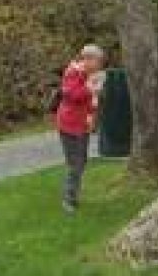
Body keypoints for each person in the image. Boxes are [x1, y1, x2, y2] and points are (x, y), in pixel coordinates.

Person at [54, 43, 105, 213]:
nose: (100, 65)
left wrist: (92, 118)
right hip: (68, 125)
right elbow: (71, 95)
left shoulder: (91, 75)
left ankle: (73, 195)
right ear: (88, 59)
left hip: (83, 125)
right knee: (74, 163)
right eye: (98, 61)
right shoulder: (72, 73)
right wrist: (91, 87)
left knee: (81, 162)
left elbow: (92, 101)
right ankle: (68, 200)